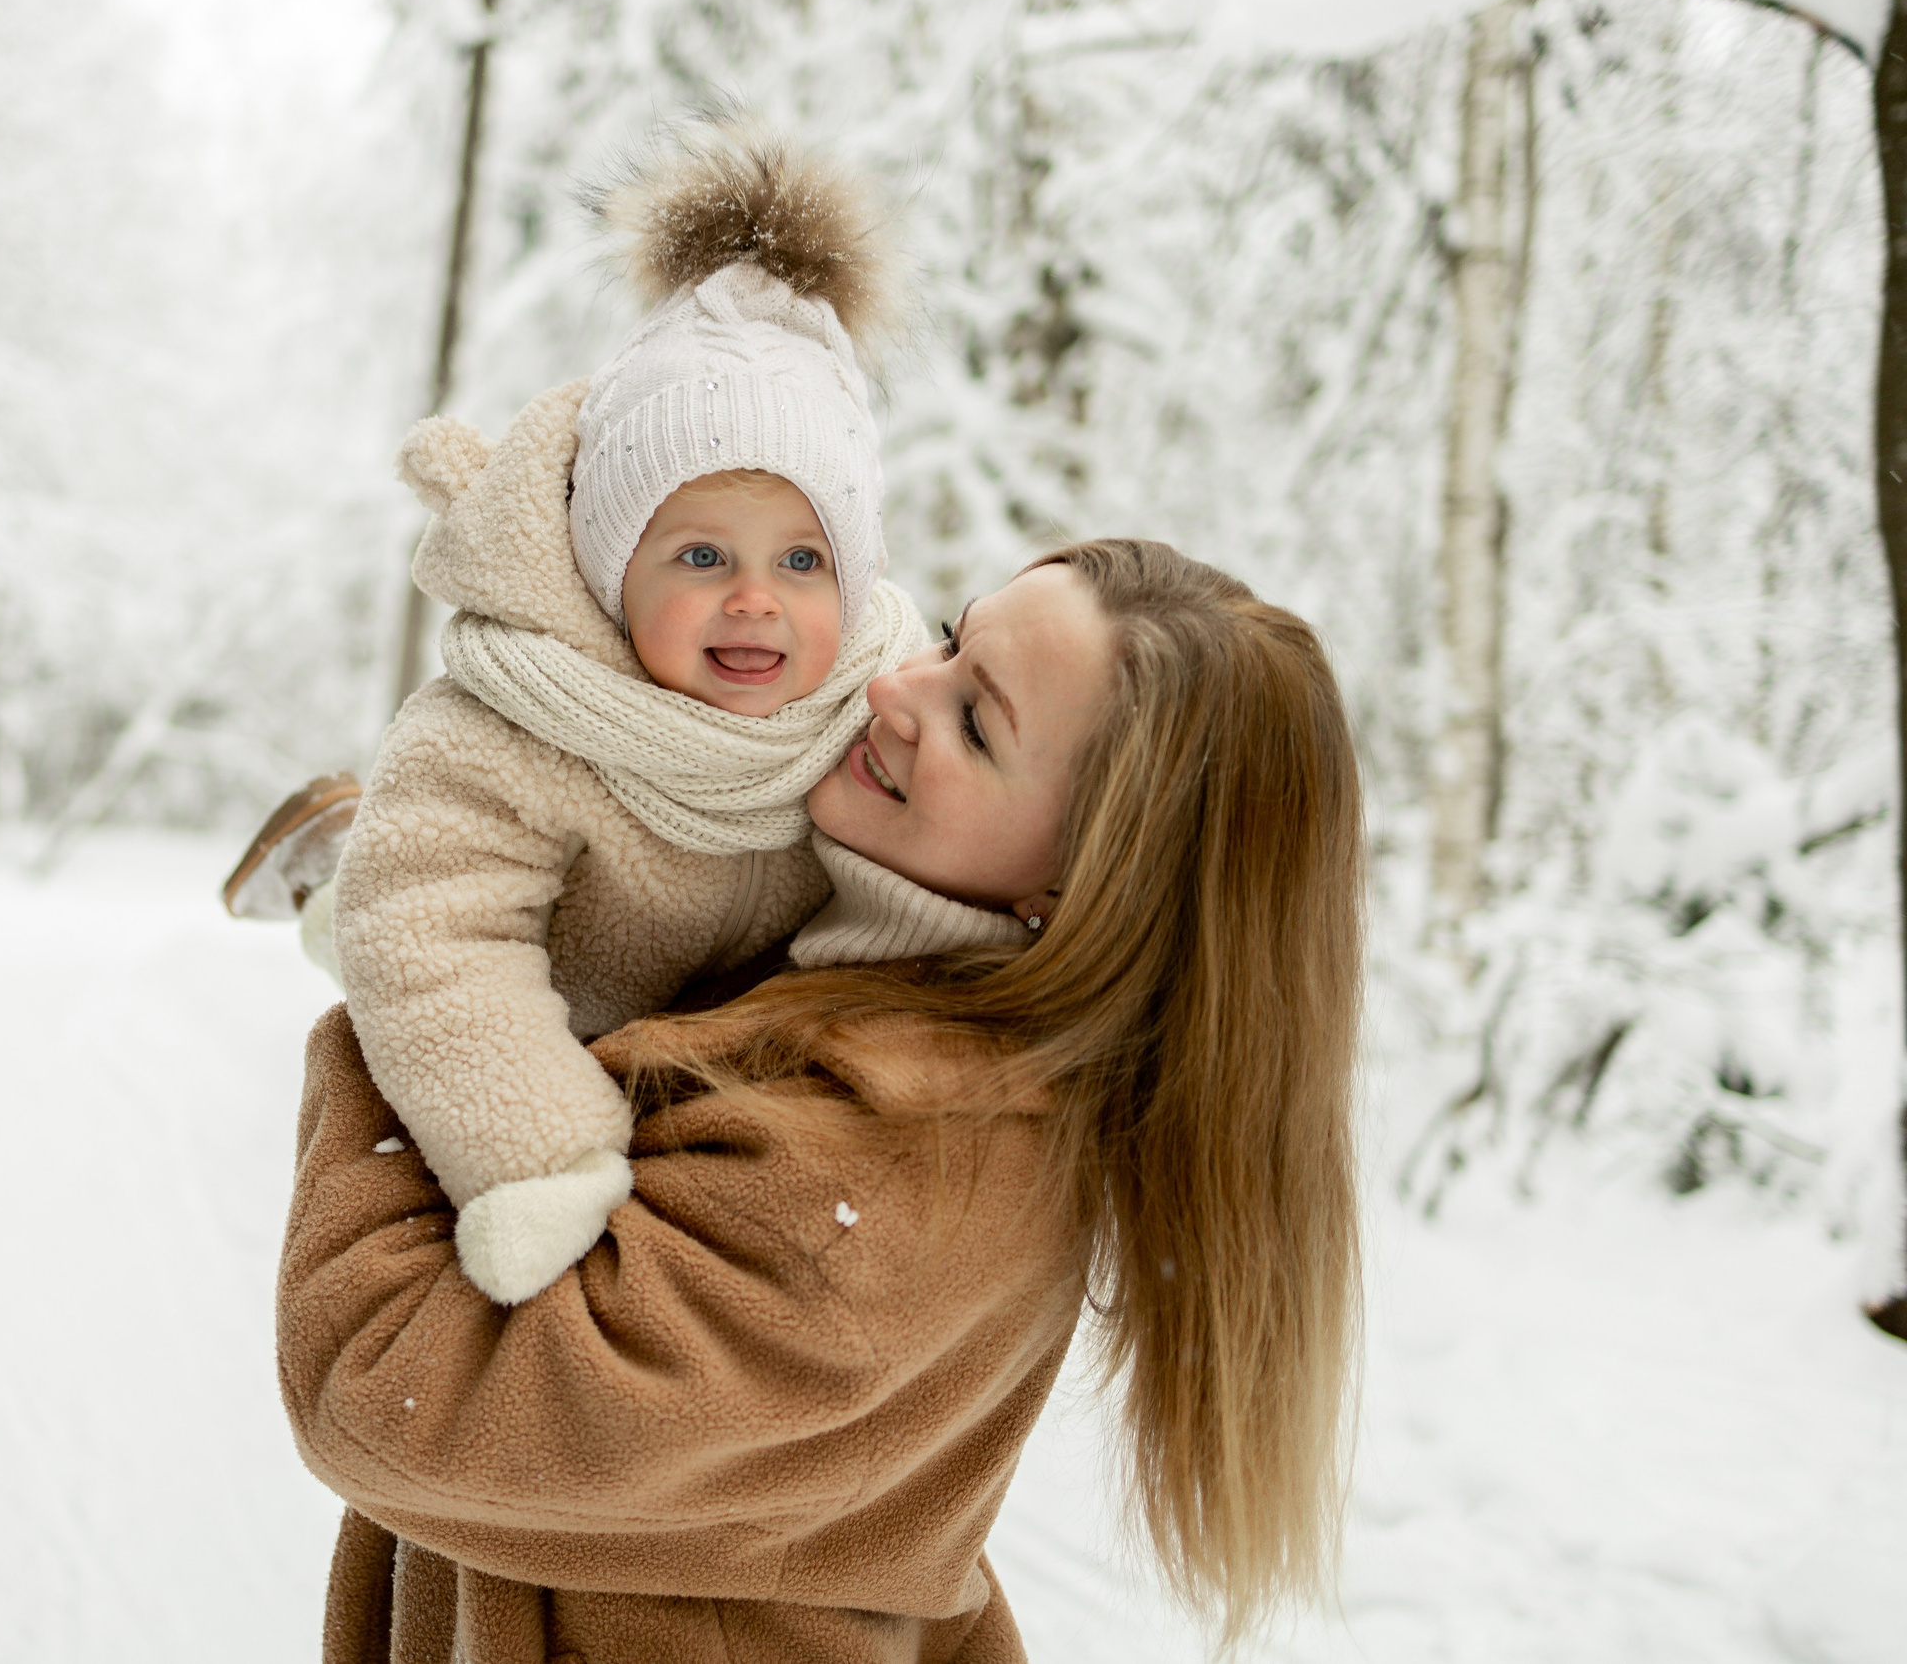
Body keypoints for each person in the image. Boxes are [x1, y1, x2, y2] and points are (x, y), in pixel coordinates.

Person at [279, 539, 1365, 1663]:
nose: (892, 687)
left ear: (1086, 882)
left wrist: (411, 970)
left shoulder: (901, 1174)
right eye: (949, 640)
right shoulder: (841, 975)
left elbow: (391, 1391)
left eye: (975, 723)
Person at [229, 123, 928, 1306]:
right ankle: (329, 864)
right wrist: (538, 1154)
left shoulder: (879, 702)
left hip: (691, 1019)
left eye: (803, 558)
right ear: (613, 572)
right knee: (381, 912)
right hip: (538, 955)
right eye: (701, 553)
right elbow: (438, 943)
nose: (755, 598)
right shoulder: (512, 719)